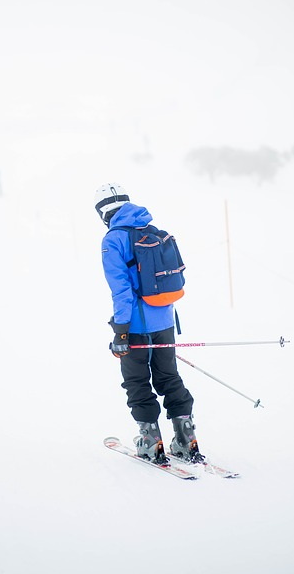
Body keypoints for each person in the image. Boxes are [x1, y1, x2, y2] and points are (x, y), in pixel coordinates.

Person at [95, 182, 203, 464]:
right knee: (168, 377)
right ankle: (186, 439)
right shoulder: (152, 231)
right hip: (165, 320)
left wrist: (121, 332)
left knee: (137, 381)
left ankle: (150, 442)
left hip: (135, 326)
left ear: (103, 212)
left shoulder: (112, 240)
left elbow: (121, 291)